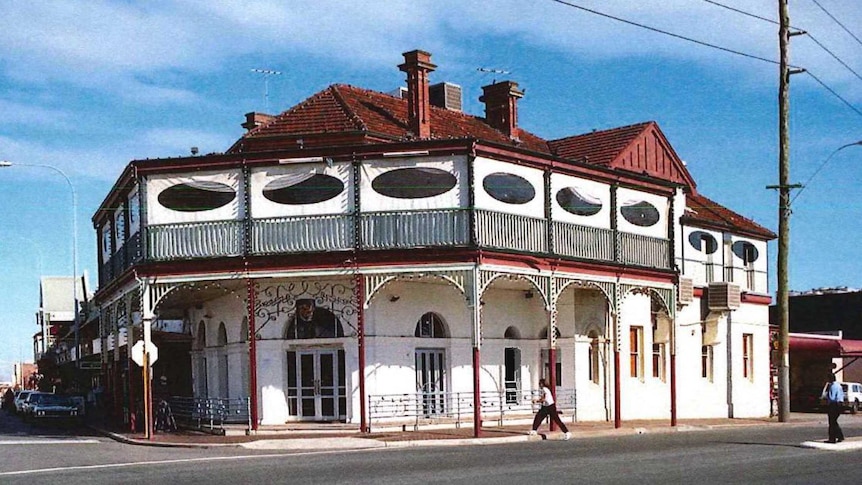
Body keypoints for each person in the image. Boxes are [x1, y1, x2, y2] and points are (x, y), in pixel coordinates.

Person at [824, 374, 845, 444]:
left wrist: (826, 397)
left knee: (832, 422)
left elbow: (832, 397)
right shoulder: (839, 385)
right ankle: (840, 436)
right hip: (839, 404)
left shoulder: (832, 386)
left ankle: (832, 439)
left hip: (834, 405)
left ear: (830, 379)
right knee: (834, 421)